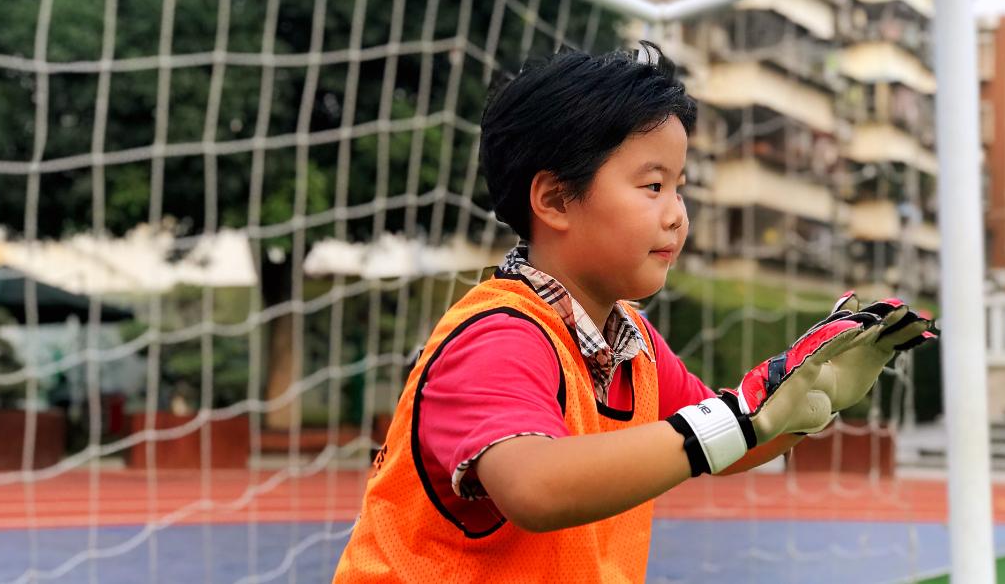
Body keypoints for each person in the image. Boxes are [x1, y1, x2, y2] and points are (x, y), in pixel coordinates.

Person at [332, 42, 933, 583]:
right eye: (652, 187)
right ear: (555, 199)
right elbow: (535, 487)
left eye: (681, 187)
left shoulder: (632, 342)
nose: (677, 214)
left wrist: (803, 407)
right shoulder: (497, 335)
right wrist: (740, 417)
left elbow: (724, 442)